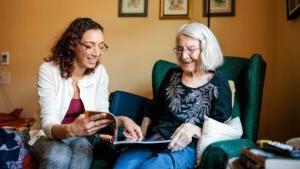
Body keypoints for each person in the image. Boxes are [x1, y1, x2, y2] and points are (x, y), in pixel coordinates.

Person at [113, 23, 233, 169]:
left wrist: (195, 130)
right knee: (123, 166)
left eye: (191, 49)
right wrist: (141, 134)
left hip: (186, 147)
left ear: (206, 49)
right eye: (179, 49)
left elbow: (222, 125)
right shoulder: (172, 74)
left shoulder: (218, 81)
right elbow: (152, 109)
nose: (184, 56)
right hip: (154, 140)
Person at [29, 17, 143, 169]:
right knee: (59, 155)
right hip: (46, 136)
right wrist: (70, 130)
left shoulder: (100, 73)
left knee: (82, 151)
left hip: (80, 137)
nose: (97, 53)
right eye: (89, 46)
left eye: (101, 46)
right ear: (73, 45)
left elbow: (101, 115)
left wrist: (123, 120)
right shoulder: (48, 70)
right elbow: (48, 124)